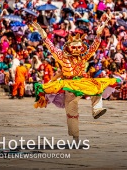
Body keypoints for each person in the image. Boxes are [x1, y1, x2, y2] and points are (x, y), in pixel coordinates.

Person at [32, 14, 119, 142]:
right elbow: (52, 49)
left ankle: (96, 110)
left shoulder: (83, 57)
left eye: (79, 47)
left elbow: (93, 49)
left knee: (97, 88)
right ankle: (76, 137)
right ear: (68, 47)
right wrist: (43, 34)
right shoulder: (63, 57)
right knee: (72, 112)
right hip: (69, 86)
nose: (77, 49)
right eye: (74, 47)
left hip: (82, 82)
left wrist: (99, 35)